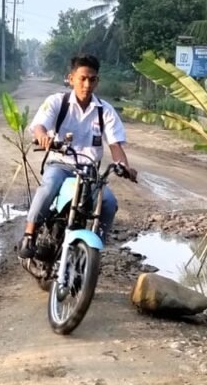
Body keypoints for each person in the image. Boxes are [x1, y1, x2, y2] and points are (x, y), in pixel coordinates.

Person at [17, 54, 137, 259]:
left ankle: (94, 250)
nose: (87, 84)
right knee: (48, 187)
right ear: (71, 78)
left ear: (97, 81)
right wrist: (43, 137)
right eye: (82, 78)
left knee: (108, 203)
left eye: (92, 79)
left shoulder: (105, 111)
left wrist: (123, 166)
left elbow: (115, 145)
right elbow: (39, 126)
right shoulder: (57, 102)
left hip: (89, 172)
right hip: (61, 165)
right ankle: (29, 234)